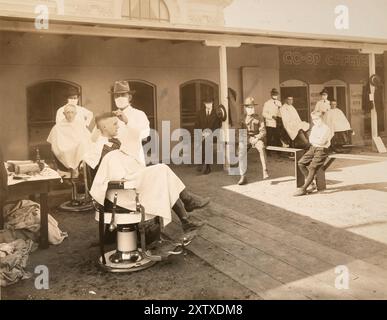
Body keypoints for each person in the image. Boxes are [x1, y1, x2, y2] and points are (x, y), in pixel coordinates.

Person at [84, 113, 209, 232]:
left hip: (128, 182)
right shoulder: (99, 147)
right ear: (105, 127)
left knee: (162, 175)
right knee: (162, 170)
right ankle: (187, 203)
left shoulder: (115, 142)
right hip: (119, 191)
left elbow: (130, 150)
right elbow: (107, 173)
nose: (118, 126)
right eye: (115, 124)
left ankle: (186, 218)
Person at [111, 80, 150, 165]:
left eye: (123, 95)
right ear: (114, 99)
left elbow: (145, 135)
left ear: (129, 97)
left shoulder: (139, 114)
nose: (119, 98)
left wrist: (127, 122)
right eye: (117, 96)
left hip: (134, 156)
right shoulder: (112, 116)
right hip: (114, 157)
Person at [294, 111, 332, 197]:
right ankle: (311, 183)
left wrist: (316, 140)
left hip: (322, 149)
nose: (315, 121)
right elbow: (310, 139)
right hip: (313, 148)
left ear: (322, 119)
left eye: (317, 119)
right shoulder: (314, 128)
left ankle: (304, 189)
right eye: (313, 119)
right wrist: (316, 140)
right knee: (301, 163)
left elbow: (322, 142)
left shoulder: (326, 129)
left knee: (312, 167)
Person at [47, 104, 92, 175]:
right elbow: (54, 144)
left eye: (72, 112)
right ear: (64, 114)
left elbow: (89, 140)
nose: (70, 115)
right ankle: (69, 168)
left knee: (83, 145)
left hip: (78, 152)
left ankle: (78, 169)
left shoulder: (80, 125)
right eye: (68, 112)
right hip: (63, 151)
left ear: (76, 113)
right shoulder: (57, 127)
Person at [237, 97, 269, 185]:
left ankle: (265, 170)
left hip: (257, 138)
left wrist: (257, 138)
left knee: (261, 148)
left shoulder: (259, 118)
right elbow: (239, 131)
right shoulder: (242, 118)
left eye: (252, 107)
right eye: (249, 107)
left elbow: (263, 131)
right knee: (241, 151)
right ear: (245, 108)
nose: (251, 109)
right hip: (246, 138)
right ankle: (243, 176)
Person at [194, 96, 222, 174]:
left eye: (210, 103)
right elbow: (197, 125)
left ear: (212, 103)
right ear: (204, 103)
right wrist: (200, 133)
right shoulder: (200, 113)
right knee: (201, 142)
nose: (208, 105)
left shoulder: (216, 113)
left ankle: (207, 166)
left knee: (207, 142)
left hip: (213, 134)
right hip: (202, 134)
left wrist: (208, 133)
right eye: (206, 103)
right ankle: (202, 163)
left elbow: (217, 126)